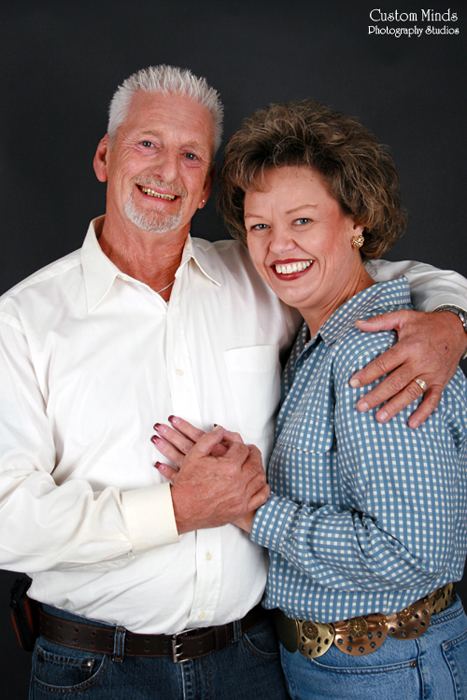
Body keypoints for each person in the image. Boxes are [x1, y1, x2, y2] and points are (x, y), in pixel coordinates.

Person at [0, 66, 466, 699]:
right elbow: (7, 519)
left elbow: (371, 274)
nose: (167, 170)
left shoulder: (262, 275)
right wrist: (175, 510)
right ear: (105, 157)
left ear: (205, 186)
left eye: (190, 154)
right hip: (98, 670)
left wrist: (451, 322)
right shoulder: (22, 321)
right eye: (147, 144)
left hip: (253, 658)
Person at [154, 99, 467, 700]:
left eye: (302, 221)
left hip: (386, 669)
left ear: (356, 222)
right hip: (343, 667)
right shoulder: (319, 337)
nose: (277, 246)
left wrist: (249, 510)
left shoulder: (372, 352)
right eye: (259, 226)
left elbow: (411, 550)